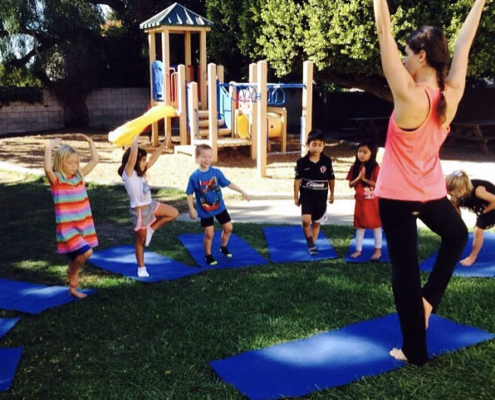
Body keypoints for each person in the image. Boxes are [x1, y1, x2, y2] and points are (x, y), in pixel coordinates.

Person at [373, 0, 486, 365]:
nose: (403, 60)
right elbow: (464, 44)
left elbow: (383, 32)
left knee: (405, 274)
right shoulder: (449, 95)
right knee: (456, 236)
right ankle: (427, 302)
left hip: (395, 197)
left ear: (421, 56)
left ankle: (413, 351)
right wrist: (480, 2)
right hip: (431, 194)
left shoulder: (408, 97)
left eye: (408, 55)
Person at [44, 134, 99, 298]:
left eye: (76, 163)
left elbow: (94, 161)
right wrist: (49, 148)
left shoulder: (79, 177)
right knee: (87, 253)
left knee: (75, 256)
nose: (74, 166)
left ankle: (73, 288)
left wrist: (90, 142)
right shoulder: (57, 180)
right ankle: (72, 271)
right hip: (68, 228)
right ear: (61, 163)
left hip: (83, 225)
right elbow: (47, 169)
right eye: (70, 163)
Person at [118, 136, 179, 278]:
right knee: (140, 241)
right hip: (140, 213)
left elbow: (153, 158)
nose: (146, 163)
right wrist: (134, 140)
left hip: (152, 205)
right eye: (143, 160)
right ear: (133, 162)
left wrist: (164, 144)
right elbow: (132, 157)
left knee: (174, 213)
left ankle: (151, 229)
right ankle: (141, 268)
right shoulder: (129, 174)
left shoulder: (141, 173)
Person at [186, 144, 250, 266]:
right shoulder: (194, 177)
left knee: (228, 228)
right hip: (205, 211)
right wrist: (191, 208)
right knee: (209, 234)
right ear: (197, 158)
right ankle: (208, 255)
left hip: (219, 207)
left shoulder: (216, 173)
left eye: (209, 157)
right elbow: (189, 193)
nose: (207, 160)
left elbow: (228, 183)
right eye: (204, 157)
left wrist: (242, 191)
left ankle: (223, 247)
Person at [294, 129, 335, 255]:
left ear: (323, 145)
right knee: (306, 220)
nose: (316, 148)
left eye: (319, 145)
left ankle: (313, 243)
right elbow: (297, 180)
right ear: (307, 145)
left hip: (321, 197)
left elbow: (331, 178)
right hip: (307, 196)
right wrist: (295, 196)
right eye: (313, 144)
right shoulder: (302, 162)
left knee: (316, 223)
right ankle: (310, 242)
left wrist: (332, 193)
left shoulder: (327, 161)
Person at [446, 169, 495, 266]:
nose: (454, 196)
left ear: (464, 188)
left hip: (491, 205)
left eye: (456, 193)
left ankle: (472, 257)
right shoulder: (456, 195)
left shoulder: (478, 191)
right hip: (482, 206)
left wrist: (484, 212)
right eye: (451, 194)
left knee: (478, 231)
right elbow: (455, 207)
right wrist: (458, 222)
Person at [346, 139, 382, 260]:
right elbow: (351, 184)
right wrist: (359, 178)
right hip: (361, 202)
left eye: (365, 152)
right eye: (359, 151)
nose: (361, 154)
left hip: (373, 203)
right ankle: (358, 250)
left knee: (376, 227)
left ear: (372, 153)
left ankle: (378, 250)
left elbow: (378, 185)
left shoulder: (376, 168)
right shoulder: (355, 167)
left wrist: (365, 179)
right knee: (360, 227)